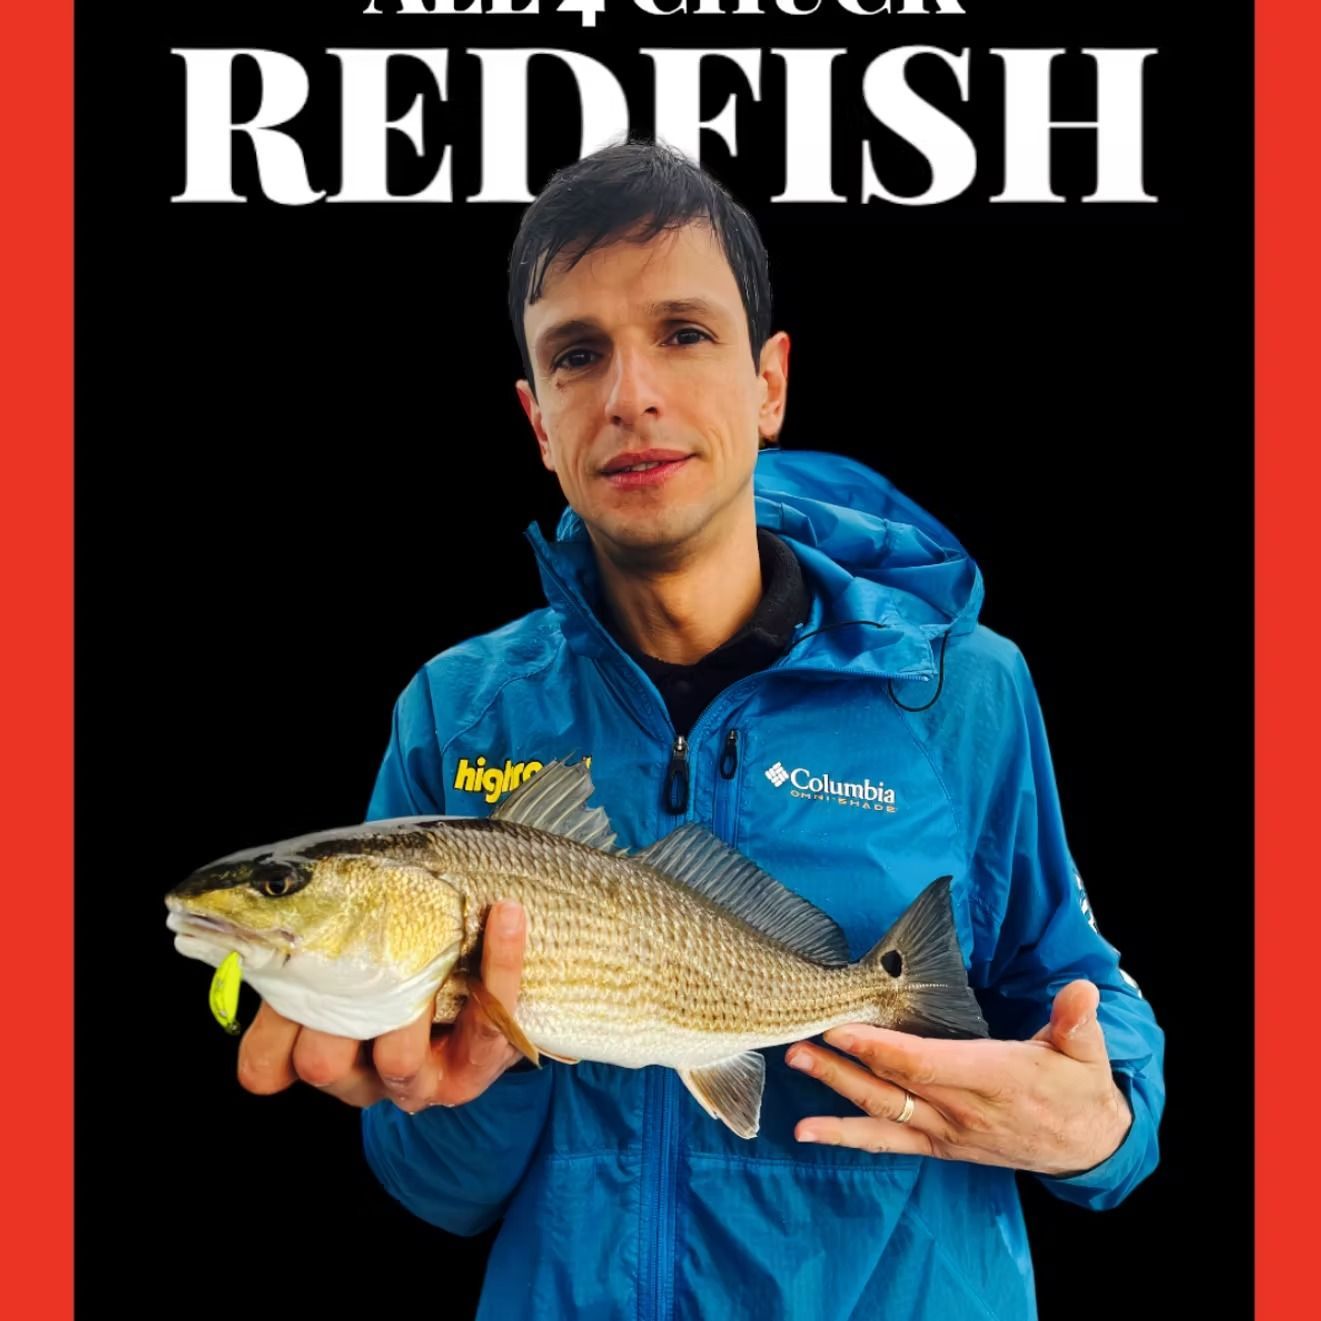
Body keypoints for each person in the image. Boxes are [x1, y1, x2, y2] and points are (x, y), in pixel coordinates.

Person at [236, 140, 1165, 1319]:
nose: (631, 395)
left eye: (683, 332)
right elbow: (443, 1196)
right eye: (577, 354)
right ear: (535, 418)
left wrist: (1104, 1121)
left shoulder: (962, 690)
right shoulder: (454, 710)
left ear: (771, 381)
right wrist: (464, 1079)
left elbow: (1076, 991)